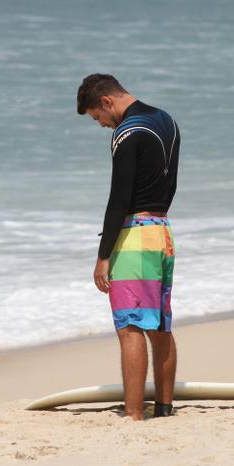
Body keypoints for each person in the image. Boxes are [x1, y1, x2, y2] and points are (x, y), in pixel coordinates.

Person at [76, 74, 180, 421]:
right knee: (160, 325)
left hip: (135, 236)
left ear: (106, 102)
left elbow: (118, 200)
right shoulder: (166, 121)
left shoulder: (128, 132)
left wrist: (103, 255)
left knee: (130, 326)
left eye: (97, 117)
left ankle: (134, 413)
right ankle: (164, 408)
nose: (103, 125)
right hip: (163, 232)